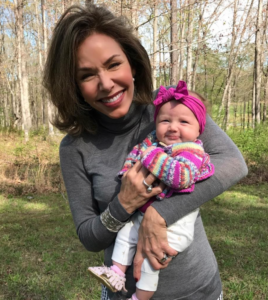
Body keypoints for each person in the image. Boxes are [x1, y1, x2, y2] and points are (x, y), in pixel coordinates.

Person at [43, 4, 248, 300]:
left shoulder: (170, 108)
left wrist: (158, 214)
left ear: (133, 63)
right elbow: (88, 236)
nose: (106, 83)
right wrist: (123, 204)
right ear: (73, 87)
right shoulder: (75, 148)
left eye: (113, 64)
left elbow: (233, 163)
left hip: (200, 290)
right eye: (87, 75)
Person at [88, 80, 215, 300]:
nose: (173, 127)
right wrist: (127, 176)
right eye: (165, 120)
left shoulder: (191, 151)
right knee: (126, 233)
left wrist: (149, 155)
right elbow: (135, 159)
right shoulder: (156, 146)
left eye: (183, 122)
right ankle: (116, 272)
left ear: (199, 130)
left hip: (177, 225)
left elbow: (180, 177)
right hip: (143, 214)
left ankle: (140, 297)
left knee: (150, 258)